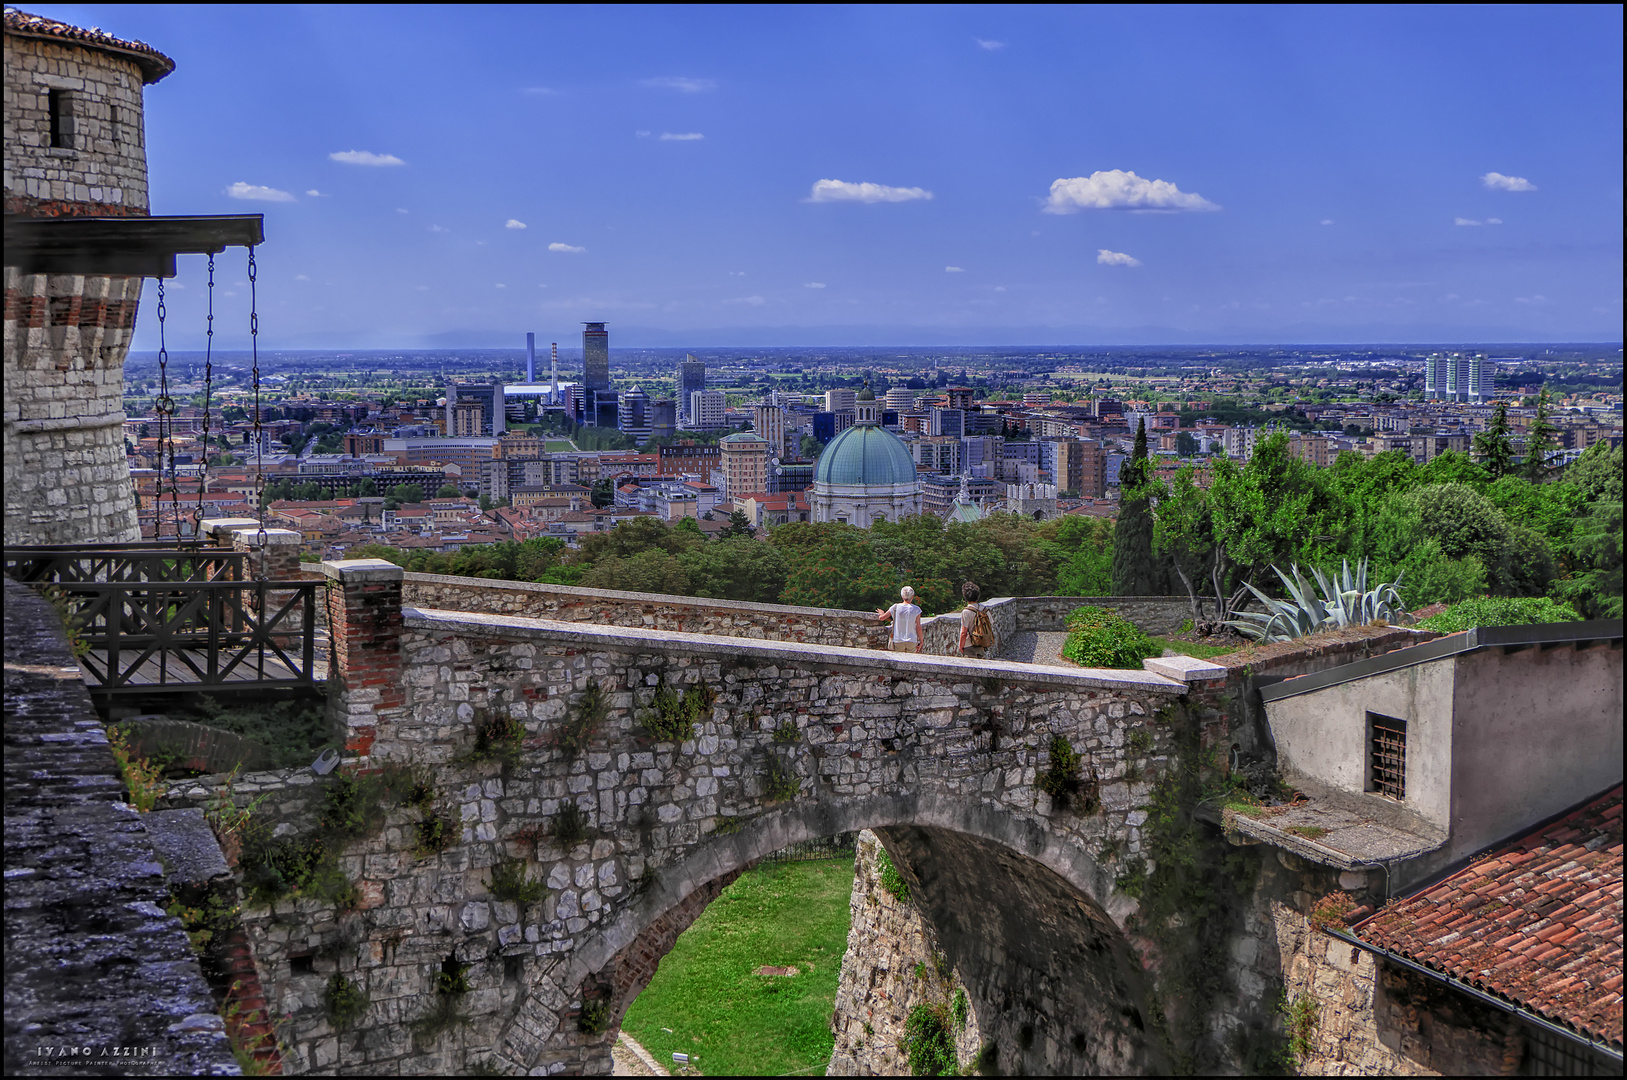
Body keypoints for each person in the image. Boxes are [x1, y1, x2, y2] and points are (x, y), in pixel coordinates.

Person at [876, 586, 923, 653]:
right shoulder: (916, 609)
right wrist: (921, 641)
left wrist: (881, 613)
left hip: (898, 640)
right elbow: (918, 627)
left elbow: (882, 618)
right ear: (912, 596)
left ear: (902, 596)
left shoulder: (895, 607)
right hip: (912, 640)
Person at [958, 581, 995, 658]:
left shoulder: (966, 612)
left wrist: (961, 646)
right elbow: (991, 624)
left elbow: (964, 632)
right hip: (982, 644)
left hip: (969, 646)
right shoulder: (984, 610)